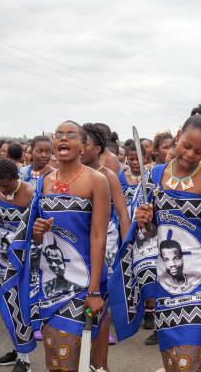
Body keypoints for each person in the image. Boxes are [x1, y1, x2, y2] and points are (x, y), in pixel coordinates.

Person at [109, 104, 201, 372]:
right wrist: (145, 222)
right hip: (167, 284)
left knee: (189, 364)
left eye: (199, 151)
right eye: (186, 146)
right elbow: (153, 234)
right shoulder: (154, 175)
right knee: (174, 363)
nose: (190, 155)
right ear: (178, 137)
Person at [0, 120, 110, 372]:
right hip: (50, 285)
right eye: (58, 134)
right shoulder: (45, 181)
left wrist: (93, 291)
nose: (62, 138)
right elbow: (38, 238)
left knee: (71, 359)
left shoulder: (96, 181)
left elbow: (98, 236)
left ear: (82, 146)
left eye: (70, 135)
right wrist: (37, 232)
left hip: (84, 283)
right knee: (55, 361)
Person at [82, 122, 131, 364]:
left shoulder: (108, 176)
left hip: (103, 247)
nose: (79, 147)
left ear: (97, 149)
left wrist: (128, 248)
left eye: (85, 143)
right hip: (73, 248)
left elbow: (122, 214)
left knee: (95, 308)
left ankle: (99, 365)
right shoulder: (62, 174)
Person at [0, 158, 34, 372]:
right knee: (6, 306)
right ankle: (17, 349)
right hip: (0, 255)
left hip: (23, 258)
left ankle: (24, 358)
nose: (3, 190)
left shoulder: (30, 193)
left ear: (17, 178)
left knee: (19, 306)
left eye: (7, 185)